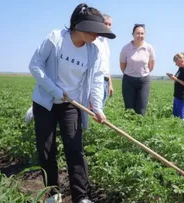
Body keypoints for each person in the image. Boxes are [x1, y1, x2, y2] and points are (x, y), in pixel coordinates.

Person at [28, 3, 115, 203]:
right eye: (95, 31)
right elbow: (35, 65)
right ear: (80, 26)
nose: (97, 36)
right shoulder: (56, 39)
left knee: (75, 148)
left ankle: (81, 197)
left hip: (71, 104)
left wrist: (98, 108)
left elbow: (95, 80)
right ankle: (53, 195)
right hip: (45, 102)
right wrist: (56, 91)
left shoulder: (93, 51)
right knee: (47, 149)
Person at [119, 24, 156, 116]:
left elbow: (151, 65)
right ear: (133, 34)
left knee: (141, 109)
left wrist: (142, 72)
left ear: (145, 34)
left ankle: (139, 128)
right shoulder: (126, 48)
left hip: (144, 81)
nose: (140, 36)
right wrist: (131, 73)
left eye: (142, 33)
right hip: (129, 80)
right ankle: (129, 129)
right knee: (129, 109)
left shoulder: (149, 48)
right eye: (137, 33)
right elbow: (123, 65)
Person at [94, 14, 113, 109]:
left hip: (105, 81)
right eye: (106, 23)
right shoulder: (94, 40)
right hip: (96, 80)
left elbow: (106, 65)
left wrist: (110, 84)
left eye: (110, 24)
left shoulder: (105, 42)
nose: (108, 26)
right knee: (94, 109)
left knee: (100, 108)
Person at [167, 52, 184, 119]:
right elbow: (177, 78)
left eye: (176, 61)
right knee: (175, 114)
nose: (175, 64)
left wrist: (175, 78)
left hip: (182, 95)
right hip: (177, 94)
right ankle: (176, 127)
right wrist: (172, 76)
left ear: (181, 60)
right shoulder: (180, 69)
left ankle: (182, 128)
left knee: (181, 116)